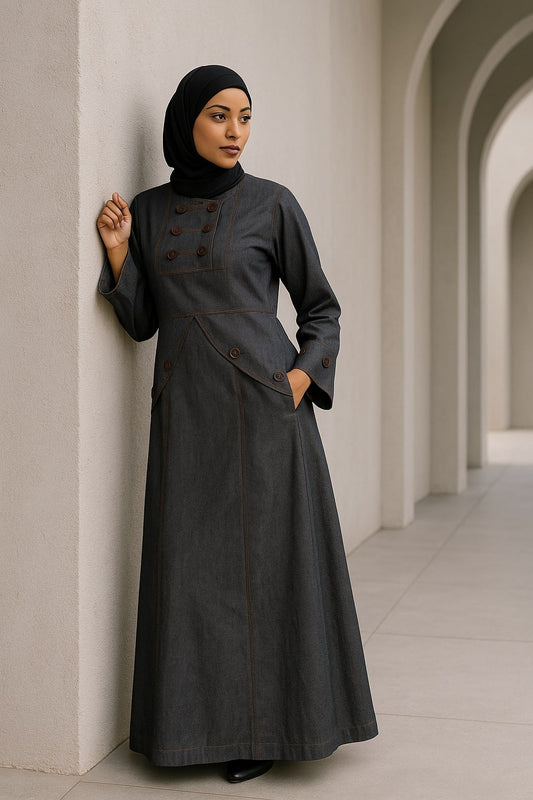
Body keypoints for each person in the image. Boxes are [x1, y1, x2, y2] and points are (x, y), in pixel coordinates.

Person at [96, 65, 377, 785]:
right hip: (187, 415)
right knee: (190, 574)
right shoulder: (152, 211)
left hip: (265, 414)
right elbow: (141, 322)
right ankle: (191, 728)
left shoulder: (272, 204)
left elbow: (321, 308)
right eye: (220, 115)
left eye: (245, 117)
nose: (234, 132)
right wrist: (122, 254)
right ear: (186, 120)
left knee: (266, 573)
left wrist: (297, 378)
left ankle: (267, 727)